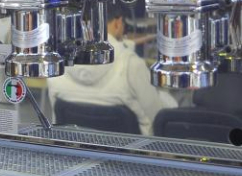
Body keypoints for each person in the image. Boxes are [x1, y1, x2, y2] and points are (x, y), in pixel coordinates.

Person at [47, 13, 177, 135]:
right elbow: (157, 117)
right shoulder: (131, 65)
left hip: (77, 152)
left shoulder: (57, 64)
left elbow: (55, 119)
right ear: (118, 22)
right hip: (131, 154)